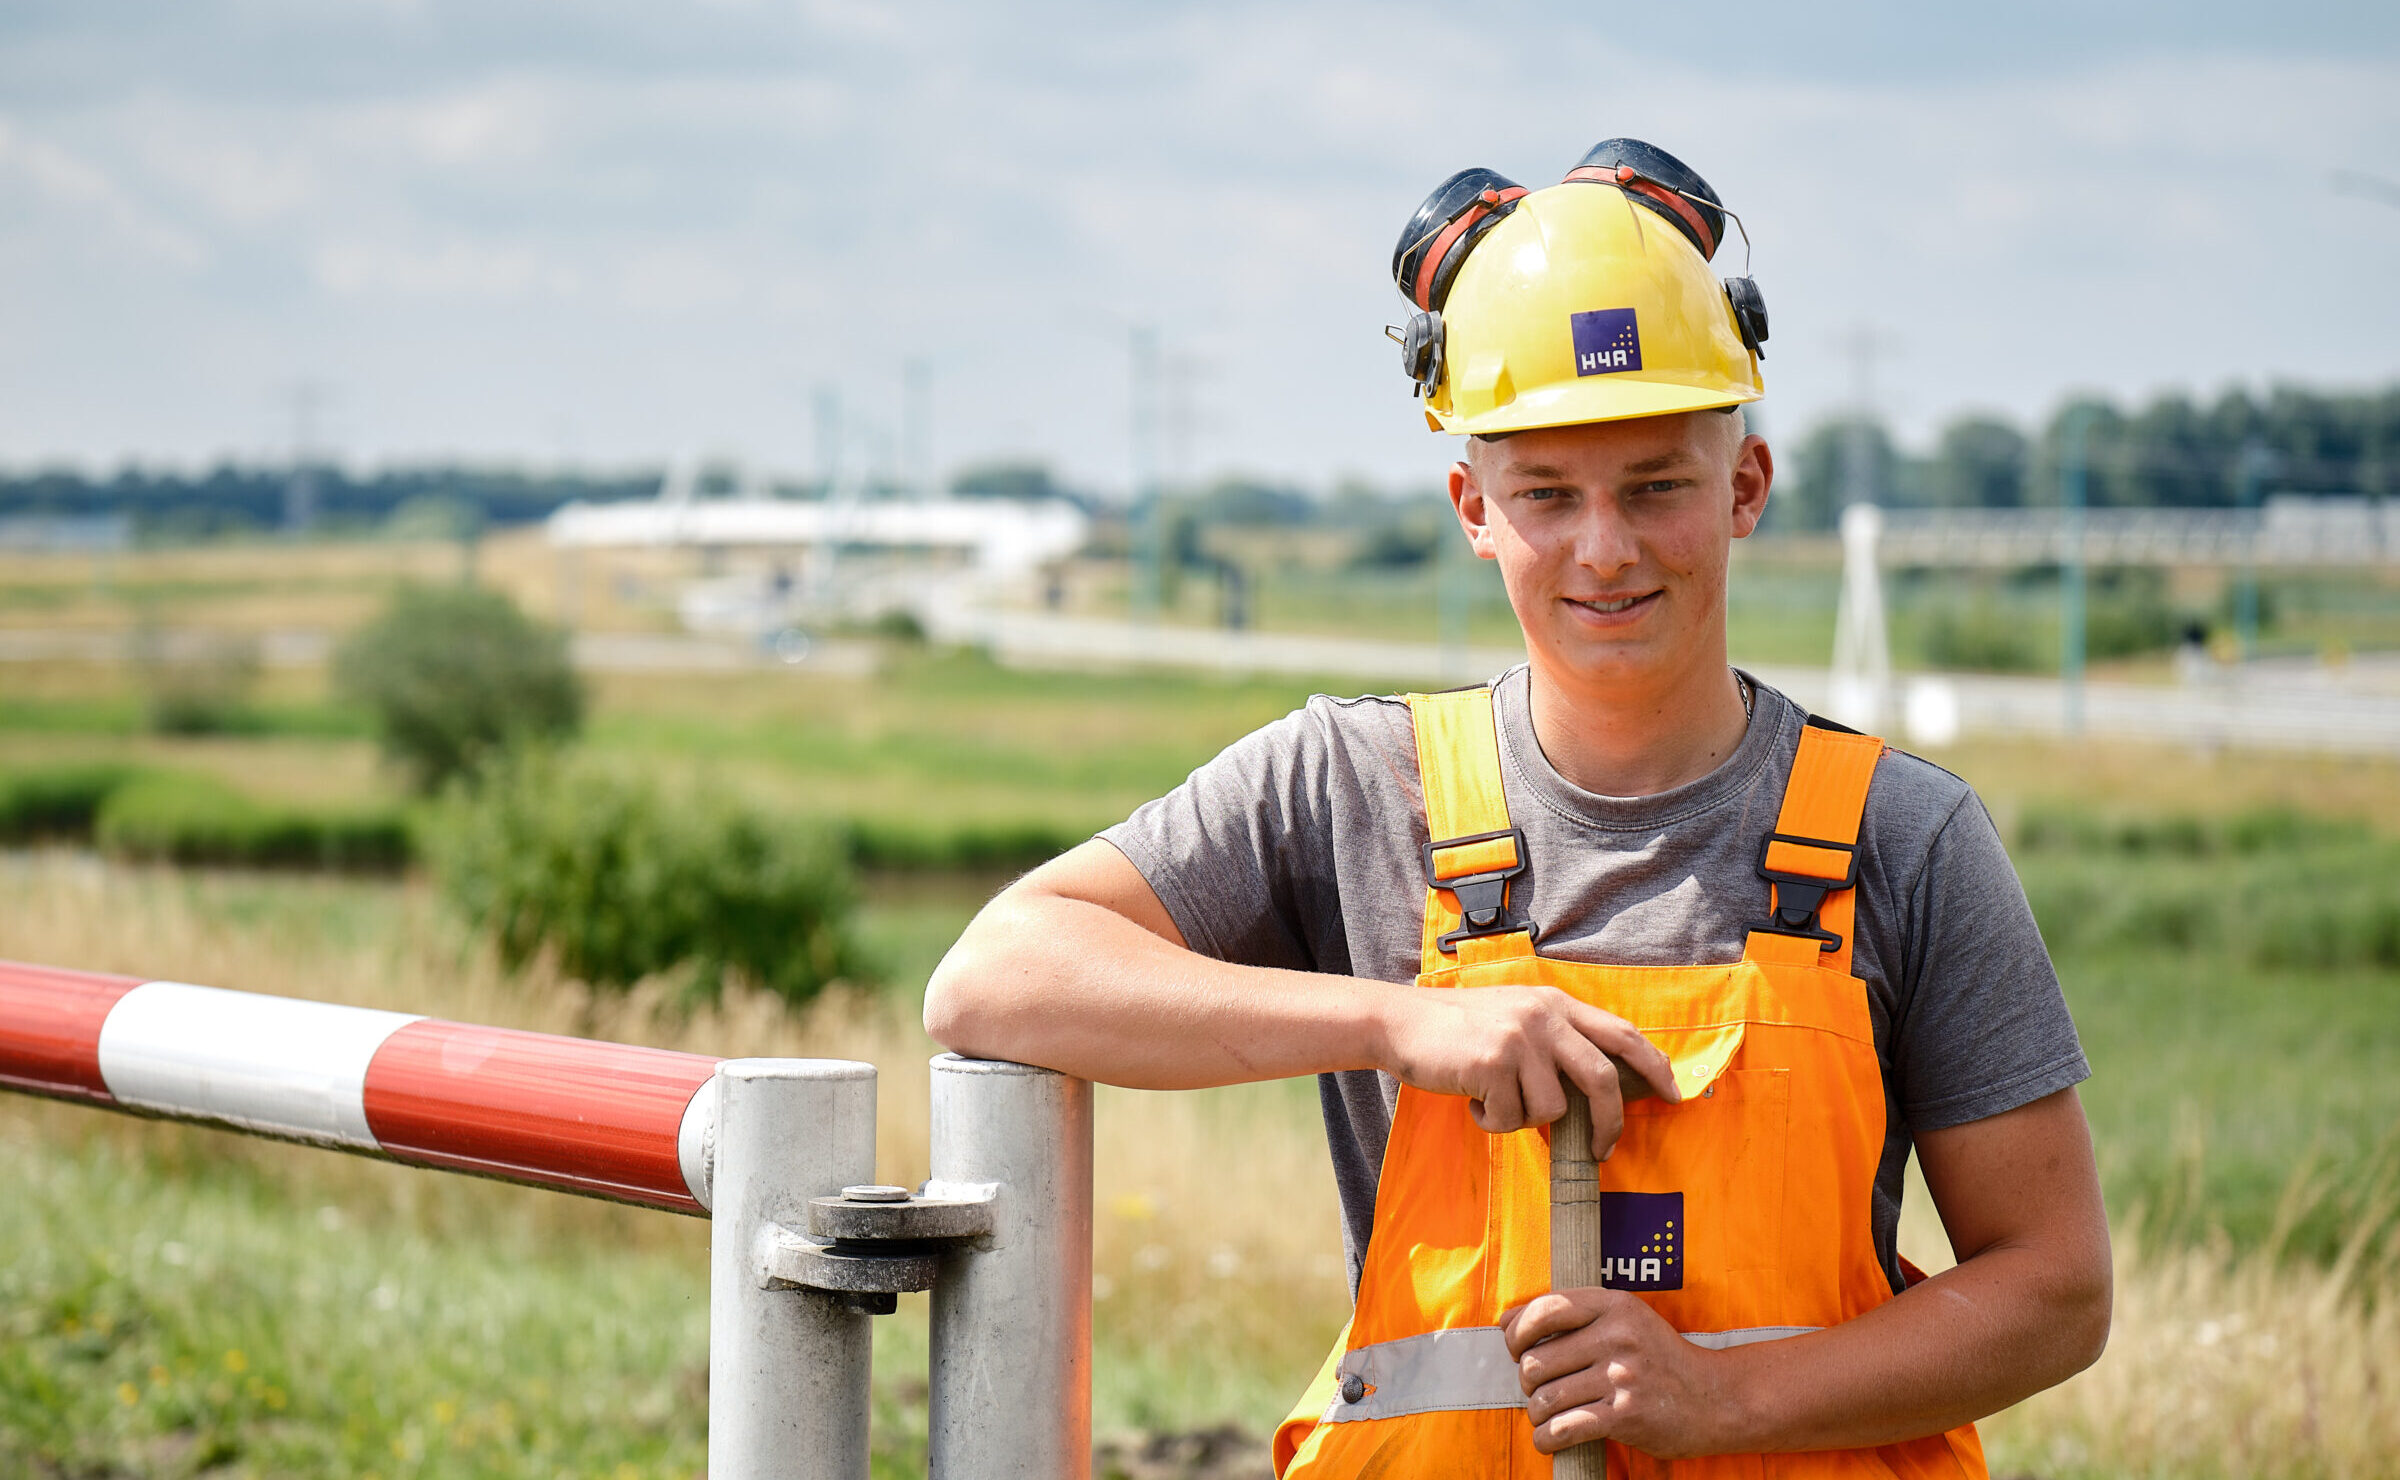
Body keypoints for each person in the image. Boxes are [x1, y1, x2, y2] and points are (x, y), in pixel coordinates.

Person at [924, 138, 2109, 1477]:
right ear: (1472, 508)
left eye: (1657, 485)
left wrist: (1724, 1403)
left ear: (1746, 490)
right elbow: (995, 977)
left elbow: (2055, 1287)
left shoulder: (1904, 838)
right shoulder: (1351, 791)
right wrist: (1403, 1023)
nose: (1605, 548)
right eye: (1546, 495)